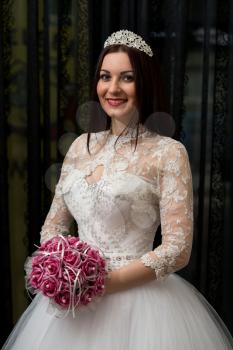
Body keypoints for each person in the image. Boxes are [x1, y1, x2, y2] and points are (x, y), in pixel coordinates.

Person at [2, 30, 233, 350]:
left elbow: (178, 248)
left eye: (127, 78)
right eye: (105, 77)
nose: (113, 88)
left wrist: (103, 284)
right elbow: (53, 225)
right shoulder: (79, 147)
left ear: (145, 82)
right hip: (71, 306)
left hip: (140, 305)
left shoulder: (168, 152)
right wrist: (62, 270)